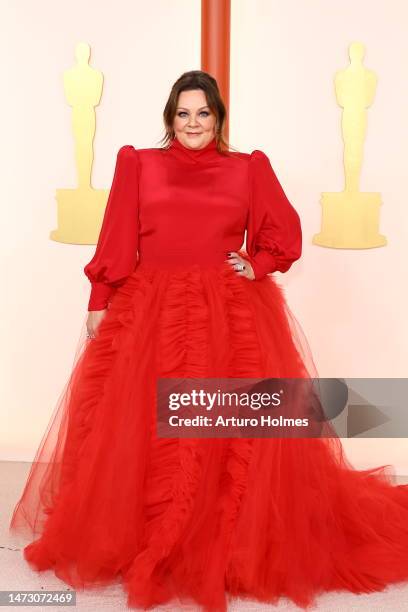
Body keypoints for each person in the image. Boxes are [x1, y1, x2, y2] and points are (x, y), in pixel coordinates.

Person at [9, 70, 408, 612]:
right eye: (183, 113)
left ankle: (220, 538)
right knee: (137, 426)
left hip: (228, 311)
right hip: (151, 309)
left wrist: (260, 262)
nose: (193, 123)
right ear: (169, 117)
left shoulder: (247, 169)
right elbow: (118, 233)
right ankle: (144, 536)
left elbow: (282, 233)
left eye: (204, 114)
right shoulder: (139, 163)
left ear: (219, 118)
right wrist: (99, 298)